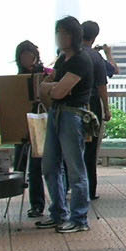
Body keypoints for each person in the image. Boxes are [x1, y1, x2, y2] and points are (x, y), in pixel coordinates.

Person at [39, 16, 93, 233]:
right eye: (58, 32)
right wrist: (52, 87)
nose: (61, 37)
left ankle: (79, 218)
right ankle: (58, 212)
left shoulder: (81, 60)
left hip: (72, 115)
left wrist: (51, 88)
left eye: (65, 33)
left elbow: (56, 90)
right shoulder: (62, 59)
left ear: (74, 35)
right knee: (50, 166)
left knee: (75, 168)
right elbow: (46, 88)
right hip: (56, 113)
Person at [13, 40, 51, 220]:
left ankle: (38, 204)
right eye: (23, 57)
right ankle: (33, 202)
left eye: (29, 56)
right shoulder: (17, 78)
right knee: (23, 166)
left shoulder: (46, 75)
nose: (27, 60)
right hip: (23, 124)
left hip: (40, 124)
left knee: (37, 166)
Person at [79, 21, 111, 198]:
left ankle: (71, 186)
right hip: (91, 106)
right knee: (90, 150)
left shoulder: (68, 54)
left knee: (72, 148)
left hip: (71, 105)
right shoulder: (96, 57)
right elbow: (101, 86)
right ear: (95, 36)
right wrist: (106, 109)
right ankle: (90, 189)